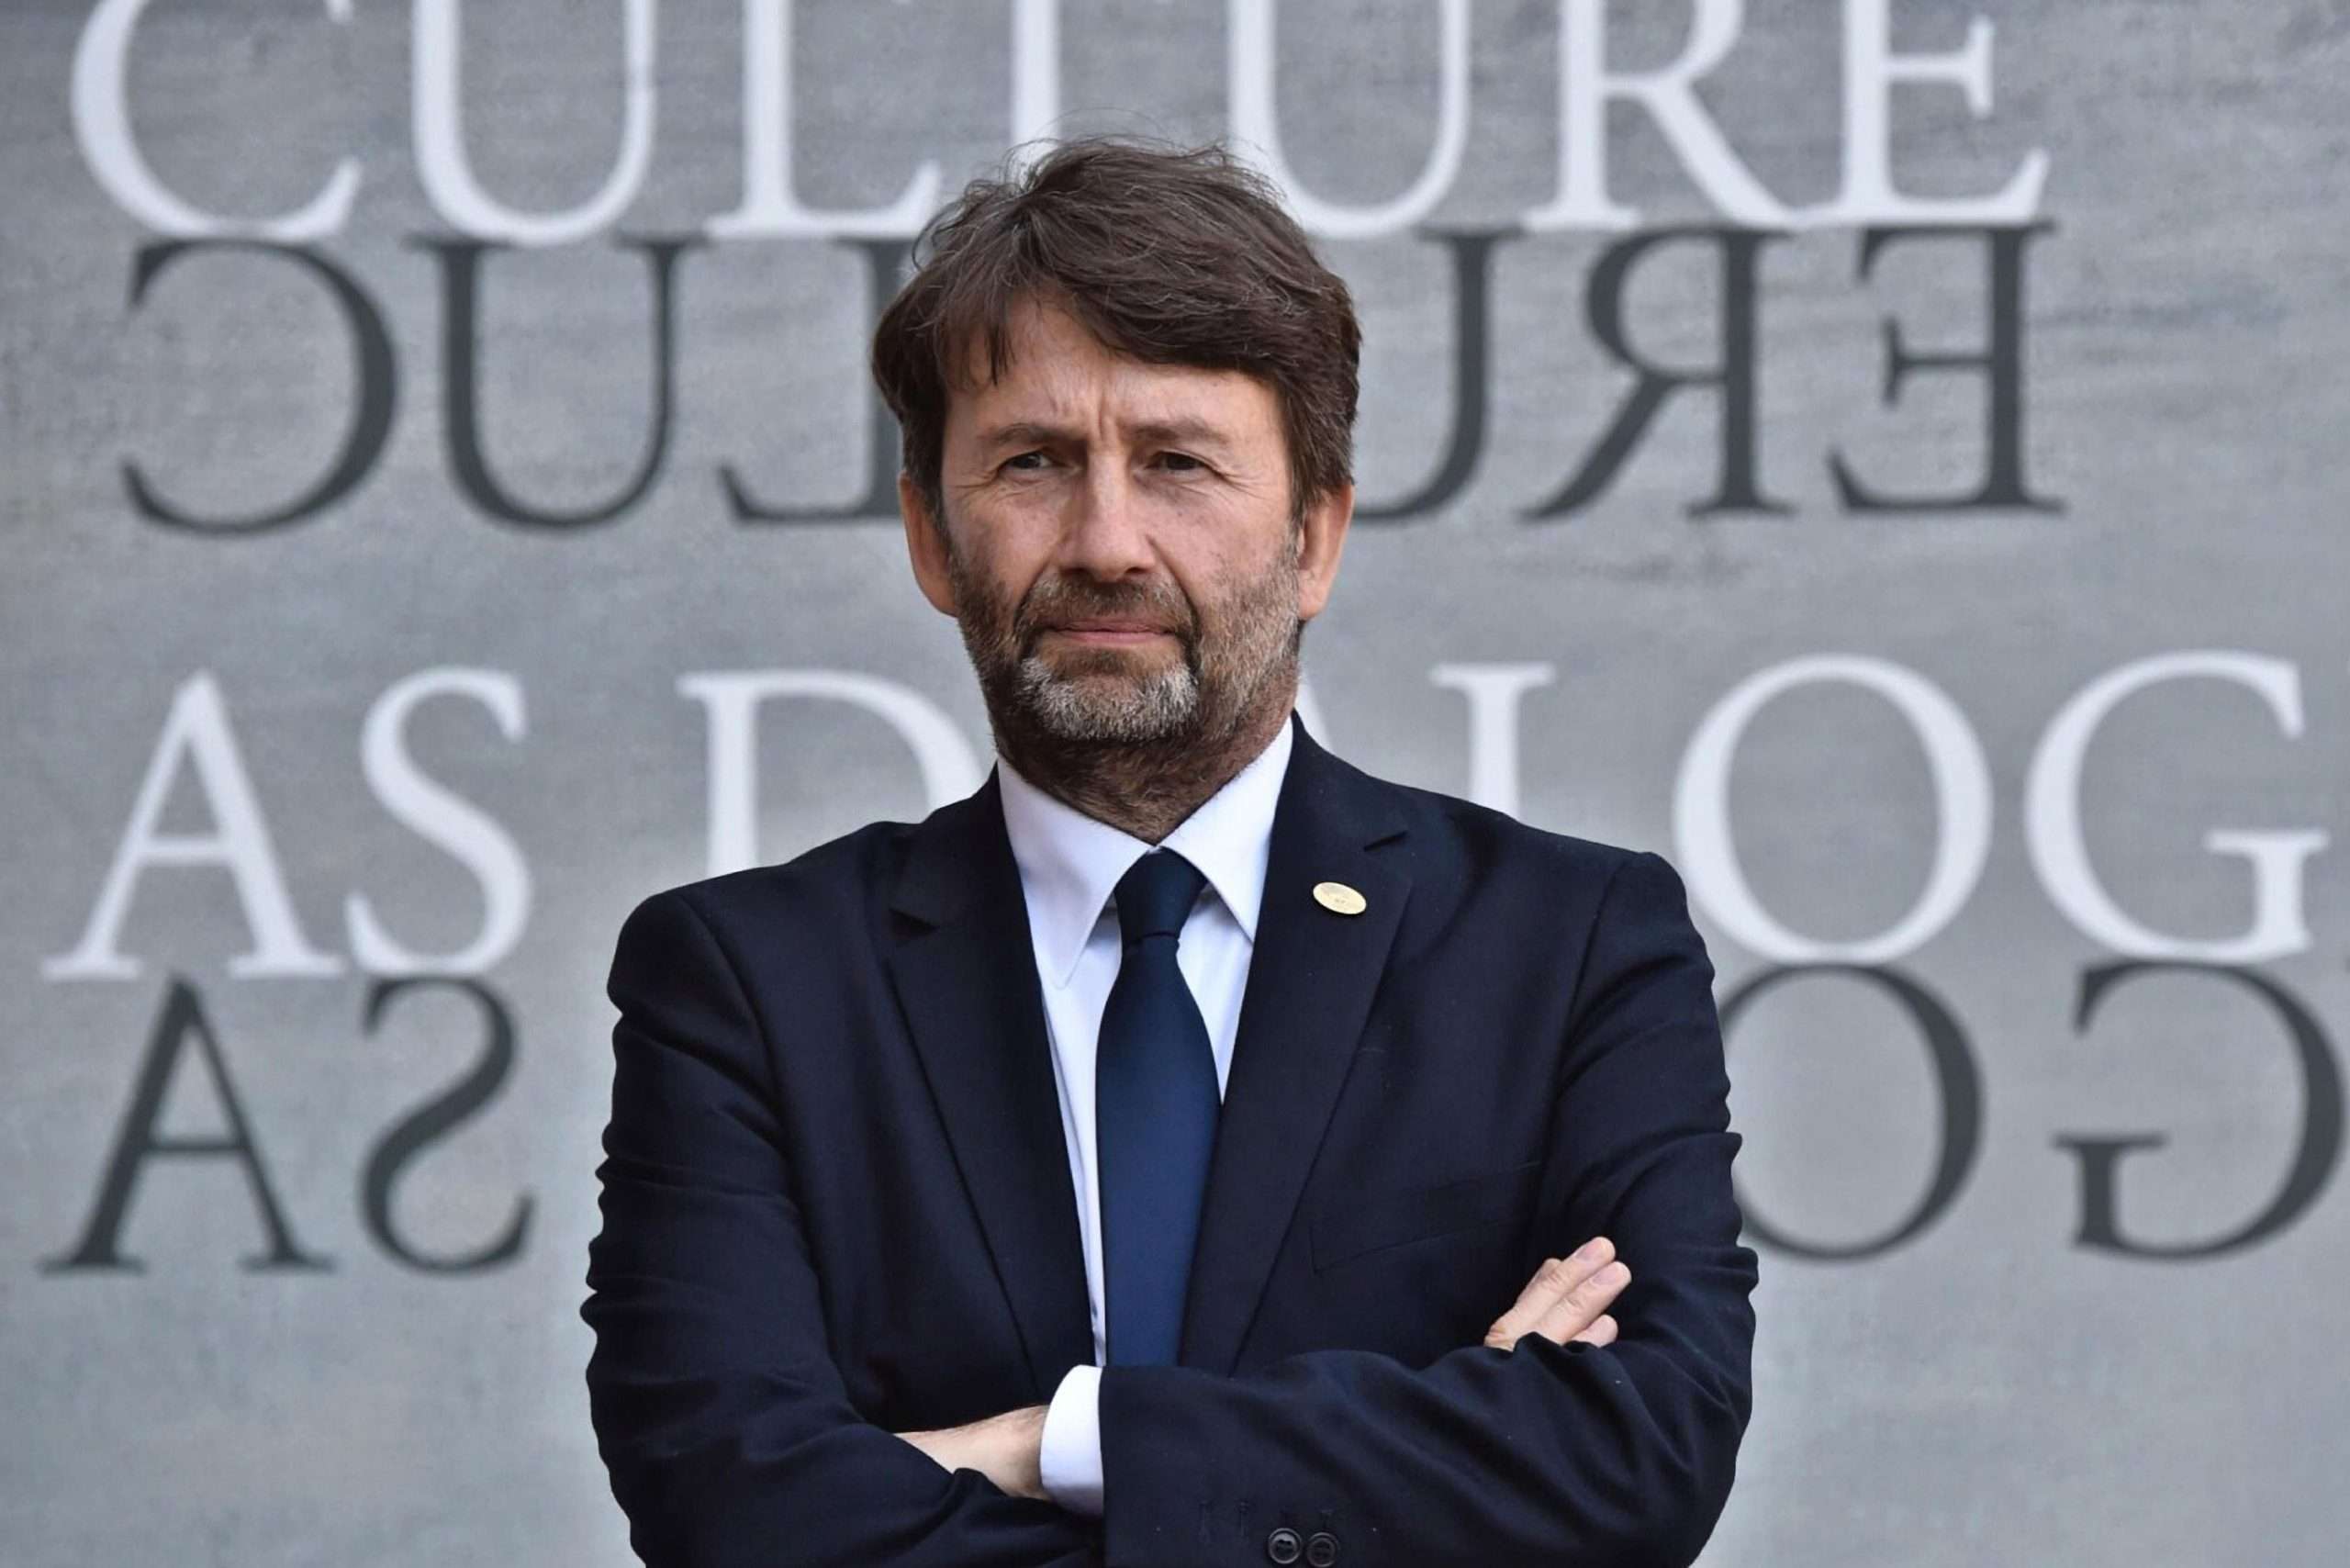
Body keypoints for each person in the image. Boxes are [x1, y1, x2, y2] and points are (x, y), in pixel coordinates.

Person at [580, 137, 1757, 1568]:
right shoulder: (749, 983)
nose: (1108, 542)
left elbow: (1639, 1454)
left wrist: (1053, 1444)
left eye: (1179, 463)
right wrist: (1445, 1450)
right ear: (931, 538)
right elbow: (730, 1510)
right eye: (1032, 462)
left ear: (1315, 538)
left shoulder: (1568, 946)